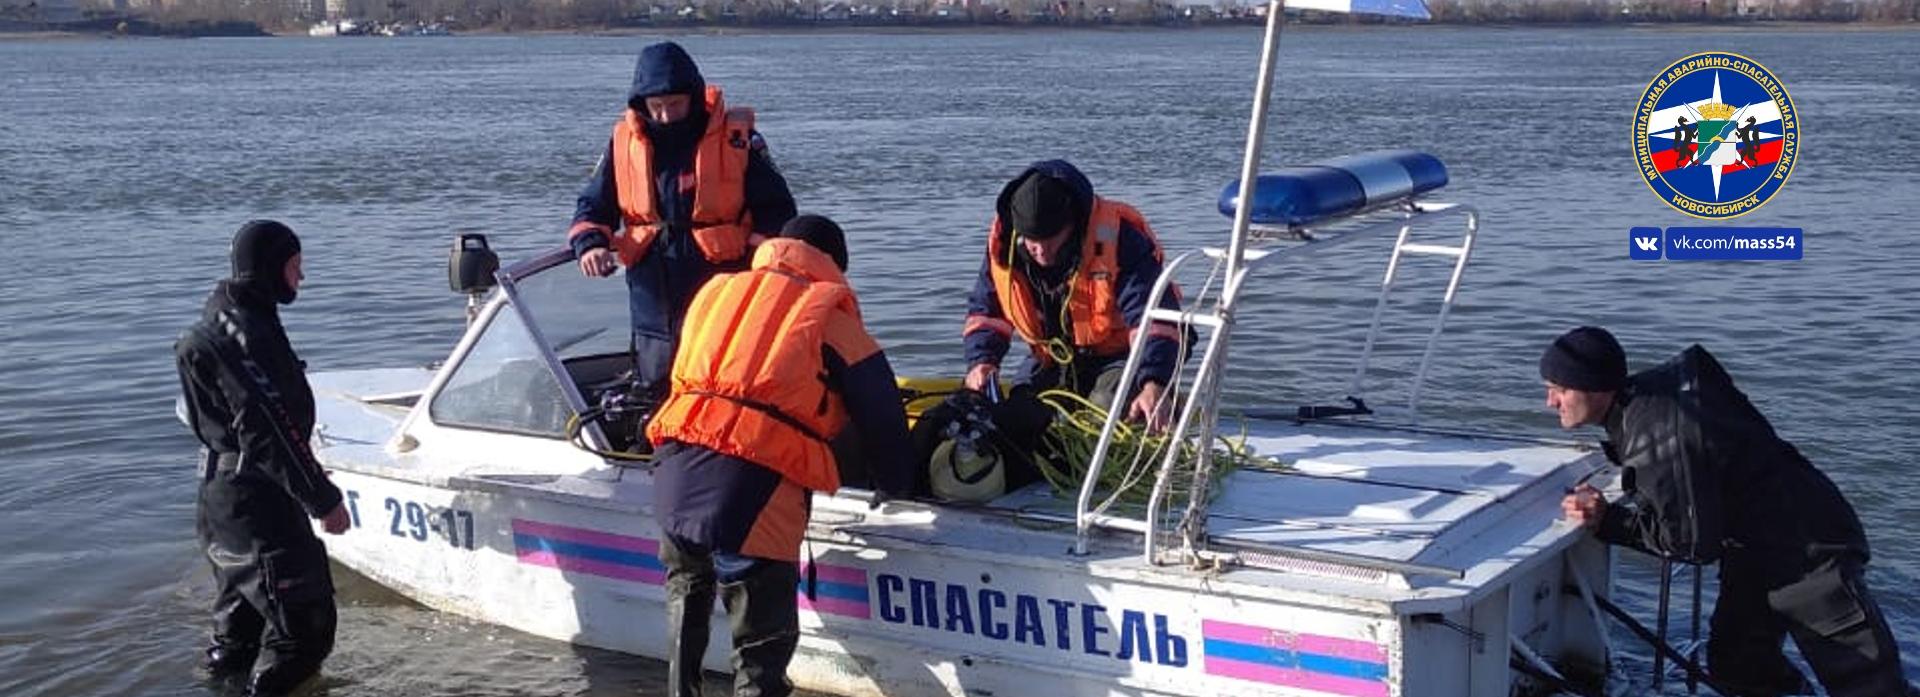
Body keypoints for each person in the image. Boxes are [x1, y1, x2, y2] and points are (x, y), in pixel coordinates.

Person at [1545, 326, 1915, 697]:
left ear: (1593, 386)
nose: (1551, 401)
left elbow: (1691, 545)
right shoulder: (1649, 406)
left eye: (1560, 389)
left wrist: (1608, 520)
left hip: (1810, 550)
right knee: (1737, 664)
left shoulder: (1654, 431)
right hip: (1755, 548)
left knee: (1867, 683)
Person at [644, 215, 915, 697]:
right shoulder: (827, 317)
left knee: (688, 587)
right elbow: (883, 415)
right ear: (833, 264)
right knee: (759, 654)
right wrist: (896, 485)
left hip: (675, 468)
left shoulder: (713, 294)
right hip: (752, 488)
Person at [175, 220, 352, 696]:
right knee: (303, 634)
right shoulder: (247, 336)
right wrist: (322, 498)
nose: (301, 278)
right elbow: (267, 428)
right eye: (295, 267)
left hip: (225, 503)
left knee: (240, 636)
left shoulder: (226, 316)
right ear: (271, 268)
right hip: (257, 506)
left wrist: (298, 475)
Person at [568, 40, 796, 406]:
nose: (665, 116)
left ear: (693, 97)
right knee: (655, 375)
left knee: (723, 371)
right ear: (641, 105)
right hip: (651, 284)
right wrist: (590, 243)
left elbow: (778, 209)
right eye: (655, 107)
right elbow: (593, 205)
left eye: (674, 105)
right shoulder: (623, 144)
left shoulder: (738, 141)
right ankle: (657, 448)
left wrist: (759, 264)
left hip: (722, 278)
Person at [961, 160, 1184, 430]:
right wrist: (983, 361)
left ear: (1074, 225)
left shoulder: (1121, 238)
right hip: (1056, 356)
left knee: (1105, 407)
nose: (1042, 252)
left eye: (1051, 240)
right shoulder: (1003, 246)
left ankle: (1161, 402)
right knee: (1019, 414)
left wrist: (1154, 382)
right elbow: (987, 312)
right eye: (1033, 243)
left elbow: (1153, 318)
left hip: (1124, 355)